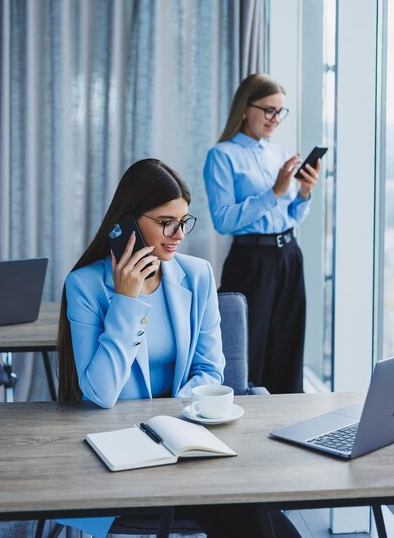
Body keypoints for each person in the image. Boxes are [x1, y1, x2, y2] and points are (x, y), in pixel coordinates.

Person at [56, 158, 301, 538]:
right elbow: (101, 393)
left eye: (184, 221)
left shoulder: (197, 274)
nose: (178, 234)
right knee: (250, 517)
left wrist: (178, 417)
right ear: (127, 224)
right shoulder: (85, 286)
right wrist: (126, 300)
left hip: (186, 440)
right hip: (118, 451)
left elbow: (209, 368)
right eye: (166, 222)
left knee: (256, 511)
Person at [203, 74, 320, 395]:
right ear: (244, 108)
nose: (275, 119)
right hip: (251, 260)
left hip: (288, 254)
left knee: (288, 344)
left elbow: (290, 216)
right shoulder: (222, 156)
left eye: (280, 112)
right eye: (268, 110)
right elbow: (224, 221)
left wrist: (304, 193)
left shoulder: (279, 153)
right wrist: (275, 191)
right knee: (247, 349)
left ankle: (286, 424)